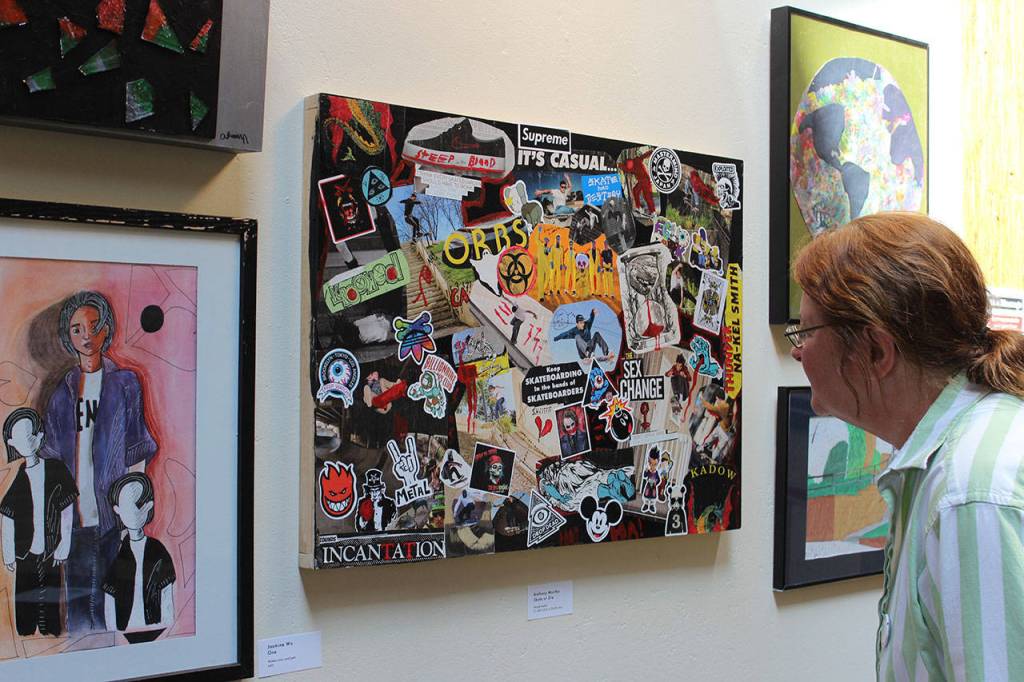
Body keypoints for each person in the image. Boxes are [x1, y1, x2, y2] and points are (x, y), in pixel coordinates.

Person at [788, 212, 1024, 681]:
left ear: (876, 351)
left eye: (807, 332)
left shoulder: (968, 491)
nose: (797, 351)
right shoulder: (944, 458)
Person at [42, 291, 157, 634]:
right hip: (73, 521)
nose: (87, 336)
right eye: (77, 330)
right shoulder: (62, 394)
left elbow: (137, 451)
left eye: (94, 327)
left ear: (107, 330)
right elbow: (52, 461)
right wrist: (57, 523)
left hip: (113, 518)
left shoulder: (125, 385)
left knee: (111, 608)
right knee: (78, 612)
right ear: (68, 337)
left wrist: (130, 514)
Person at [0, 407, 78, 637]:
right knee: (26, 598)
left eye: (30, 435)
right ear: (12, 443)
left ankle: (50, 631)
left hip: (51, 551)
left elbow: (67, 510)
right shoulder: (19, 478)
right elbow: (7, 517)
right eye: (20, 438)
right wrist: (8, 554)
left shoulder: (56, 469)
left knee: (50, 599)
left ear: (40, 436)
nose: (26, 442)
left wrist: (64, 546)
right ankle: (26, 632)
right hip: (25, 553)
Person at [102, 472, 175, 644]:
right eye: (128, 505)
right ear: (117, 509)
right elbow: (109, 599)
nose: (135, 511)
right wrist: (113, 630)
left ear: (149, 506)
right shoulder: (115, 551)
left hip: (156, 630)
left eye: (140, 504)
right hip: (123, 631)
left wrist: (166, 625)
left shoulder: (158, 551)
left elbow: (166, 596)